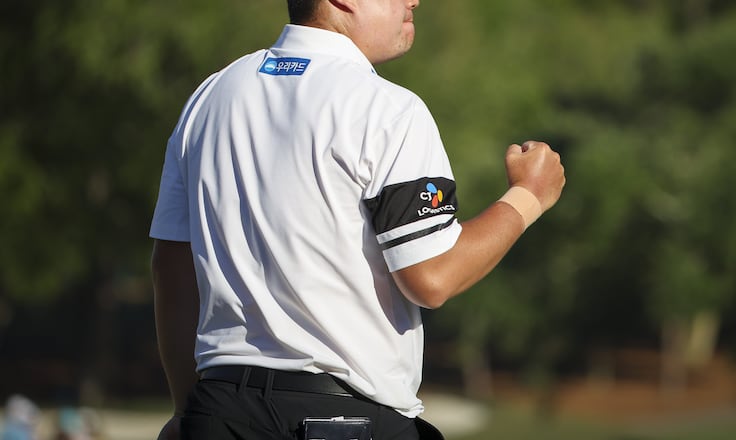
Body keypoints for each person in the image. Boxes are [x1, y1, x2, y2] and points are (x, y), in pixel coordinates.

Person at [149, 0, 565, 439]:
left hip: (217, 413)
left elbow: (171, 267)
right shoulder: (387, 108)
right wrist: (527, 197)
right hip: (343, 420)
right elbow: (432, 275)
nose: (413, 1)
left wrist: (186, 412)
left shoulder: (212, 95)